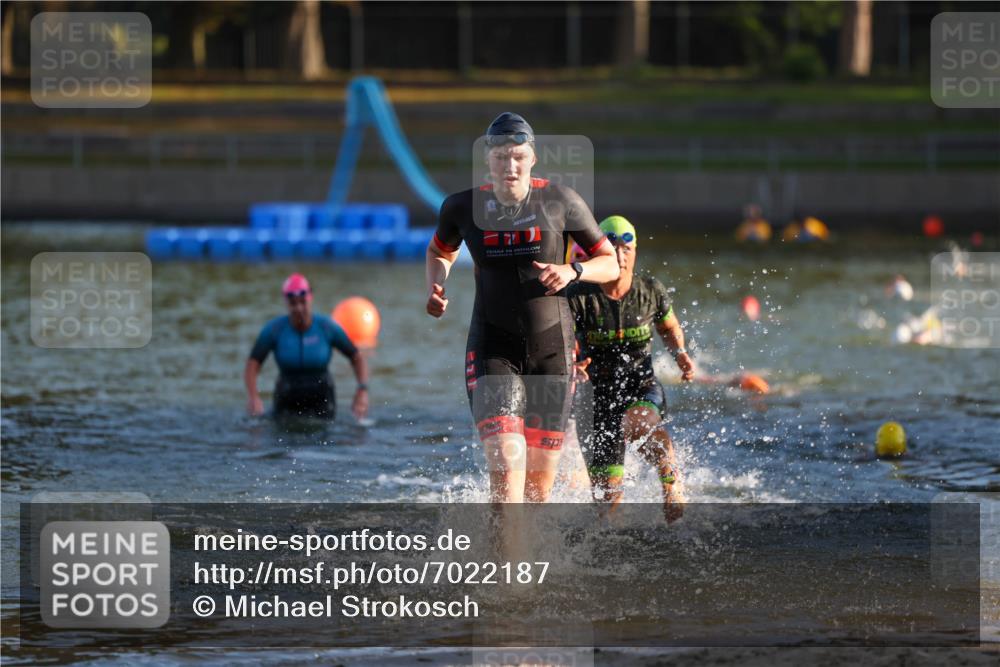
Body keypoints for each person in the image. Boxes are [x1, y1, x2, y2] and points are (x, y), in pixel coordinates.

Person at [425, 112, 619, 504]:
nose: (509, 166)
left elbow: (611, 262)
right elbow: (438, 250)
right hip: (493, 349)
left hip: (552, 351)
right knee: (505, 476)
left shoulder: (561, 201)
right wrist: (437, 283)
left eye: (518, 156)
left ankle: (531, 563)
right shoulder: (462, 208)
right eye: (500, 157)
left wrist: (572, 270)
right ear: (488, 161)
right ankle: (503, 566)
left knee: (536, 493)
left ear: (532, 158)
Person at [566, 215, 693, 521]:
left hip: (641, 385)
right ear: (599, 254)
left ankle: (670, 481)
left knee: (639, 421)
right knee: (606, 502)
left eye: (627, 249)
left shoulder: (649, 290)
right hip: (595, 399)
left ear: (635, 251)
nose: (621, 256)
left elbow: (669, 327)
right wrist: (571, 362)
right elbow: (564, 338)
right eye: (613, 248)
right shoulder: (579, 295)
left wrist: (680, 354)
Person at [245, 273, 369, 420]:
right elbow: (253, 364)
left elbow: (356, 357)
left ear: (310, 299)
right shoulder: (274, 330)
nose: (298, 308)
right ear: (286, 303)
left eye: (303, 302)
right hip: (287, 395)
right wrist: (253, 397)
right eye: (293, 303)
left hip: (322, 396)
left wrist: (362, 390)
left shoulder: (327, 327)